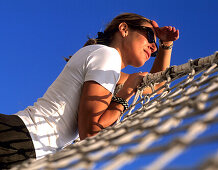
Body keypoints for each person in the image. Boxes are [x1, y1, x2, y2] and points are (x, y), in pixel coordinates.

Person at [0, 13, 179, 168]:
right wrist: (126, 93)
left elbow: (157, 86)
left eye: (155, 48)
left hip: (23, 145)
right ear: (124, 29)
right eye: (149, 35)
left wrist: (166, 44)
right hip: (19, 141)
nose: (153, 46)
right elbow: (91, 131)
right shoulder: (108, 56)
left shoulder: (107, 66)